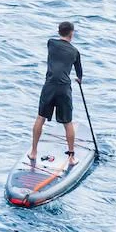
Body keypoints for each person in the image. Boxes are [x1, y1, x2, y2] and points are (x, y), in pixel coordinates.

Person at [27, 20, 84, 168]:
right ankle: (71, 158)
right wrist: (79, 79)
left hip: (50, 86)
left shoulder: (51, 43)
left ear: (59, 32)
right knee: (67, 123)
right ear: (72, 33)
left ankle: (33, 152)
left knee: (41, 117)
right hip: (64, 89)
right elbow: (79, 74)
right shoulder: (75, 52)